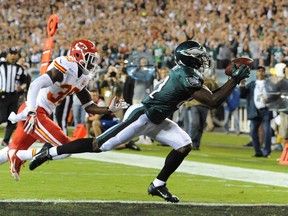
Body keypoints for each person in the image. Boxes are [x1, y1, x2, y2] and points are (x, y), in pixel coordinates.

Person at [29, 40, 250, 203]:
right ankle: (49, 152)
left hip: (158, 119)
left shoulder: (189, 73)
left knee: (184, 145)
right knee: (99, 146)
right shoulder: (186, 75)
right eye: (199, 55)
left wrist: (233, 81)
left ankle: (158, 185)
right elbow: (213, 101)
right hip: (142, 116)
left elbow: (213, 98)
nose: (203, 58)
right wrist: (235, 79)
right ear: (189, 58)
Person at [0, 39, 128, 181]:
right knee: (66, 148)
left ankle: (17, 154)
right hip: (35, 111)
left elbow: (89, 106)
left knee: (10, 150)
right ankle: (19, 156)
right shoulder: (67, 66)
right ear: (78, 56)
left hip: (38, 112)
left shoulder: (82, 76)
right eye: (90, 59)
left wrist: (109, 109)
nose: (93, 63)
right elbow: (35, 84)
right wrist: (31, 112)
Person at [240, 65, 273, 158]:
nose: (260, 72)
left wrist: (269, 100)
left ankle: (266, 152)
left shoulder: (269, 83)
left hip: (266, 110)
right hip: (255, 111)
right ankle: (258, 151)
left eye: (262, 71)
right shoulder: (252, 84)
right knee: (253, 131)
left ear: (265, 72)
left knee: (267, 131)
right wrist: (242, 86)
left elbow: (274, 95)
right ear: (256, 73)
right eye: (259, 71)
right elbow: (242, 95)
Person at [0, 47, 29, 147]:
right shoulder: (1, 65)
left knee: (12, 120)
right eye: (11, 53)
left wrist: (21, 87)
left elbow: (25, 82)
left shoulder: (20, 68)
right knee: (2, 117)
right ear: (7, 55)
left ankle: (6, 140)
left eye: (14, 53)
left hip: (14, 96)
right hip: (2, 95)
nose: (13, 55)